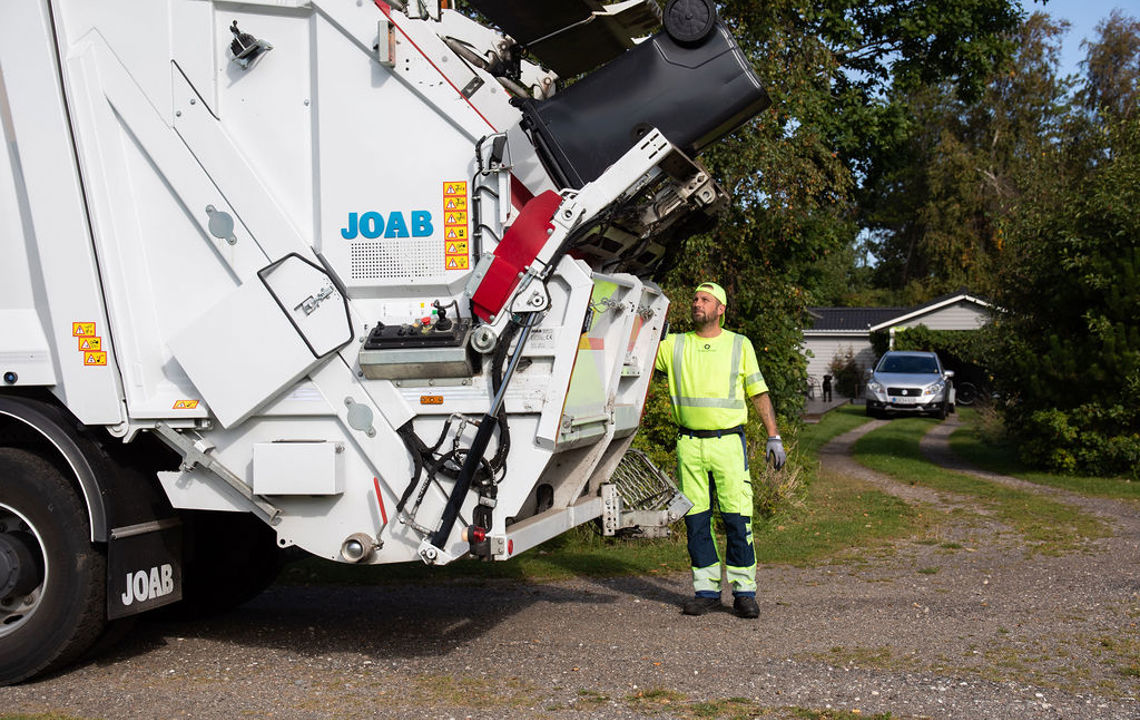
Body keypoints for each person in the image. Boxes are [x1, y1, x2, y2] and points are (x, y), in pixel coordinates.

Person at [655, 282, 785, 619]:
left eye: (705, 299)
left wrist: (774, 435)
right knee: (696, 522)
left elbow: (758, 392)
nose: (697, 303)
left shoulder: (740, 345)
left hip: (728, 444)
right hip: (689, 445)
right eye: (695, 298)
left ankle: (744, 594)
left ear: (720, 309)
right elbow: (634, 356)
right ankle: (707, 592)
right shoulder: (673, 345)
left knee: (737, 519)